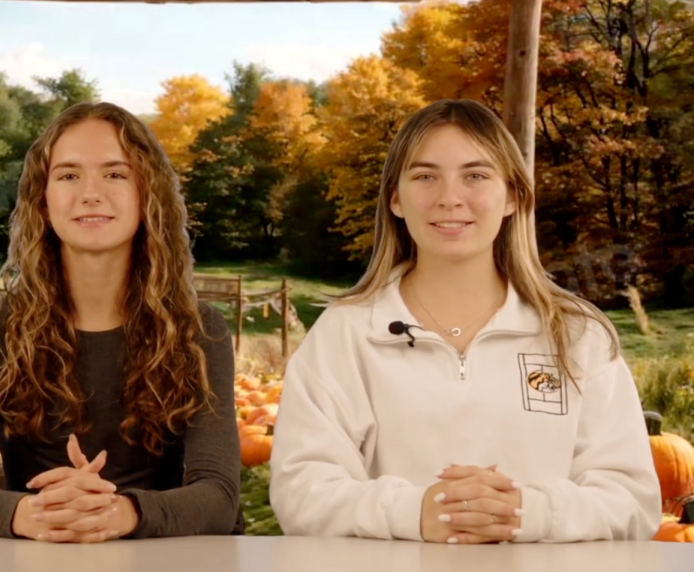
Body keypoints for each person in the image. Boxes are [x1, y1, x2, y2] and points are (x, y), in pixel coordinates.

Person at [268, 99, 661, 543]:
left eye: (475, 175)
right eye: (424, 176)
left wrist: (525, 513)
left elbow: (633, 500)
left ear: (513, 196)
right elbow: (301, 491)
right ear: (395, 199)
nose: (450, 198)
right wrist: (415, 512)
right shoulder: (346, 333)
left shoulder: (577, 334)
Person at [0, 102, 241, 542]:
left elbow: (220, 496)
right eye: (69, 175)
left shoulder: (198, 330)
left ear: (147, 193)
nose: (90, 193)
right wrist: (35, 514)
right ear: (43, 196)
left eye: (115, 174)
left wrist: (118, 512)